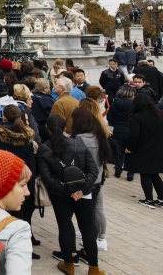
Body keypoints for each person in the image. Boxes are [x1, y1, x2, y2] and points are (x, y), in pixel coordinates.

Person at [36, 115, 101, 275]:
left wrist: (66, 191)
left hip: (60, 195)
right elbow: (93, 170)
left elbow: (47, 177)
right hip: (83, 194)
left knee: (65, 226)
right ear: (65, 128)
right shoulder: (78, 143)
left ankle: (69, 264)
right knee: (87, 230)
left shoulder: (45, 149)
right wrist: (82, 190)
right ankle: (94, 267)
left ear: (47, 129)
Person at [0, 104, 39, 257]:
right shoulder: (26, 140)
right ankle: (18, 250)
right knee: (18, 219)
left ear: (3, 117)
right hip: (18, 185)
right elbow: (31, 167)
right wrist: (29, 189)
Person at [70, 108, 112, 255]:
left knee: (87, 217)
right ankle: (98, 240)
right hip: (97, 181)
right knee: (95, 210)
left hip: (85, 183)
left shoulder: (79, 139)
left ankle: (89, 248)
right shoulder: (99, 136)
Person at [125, 92, 163, 208]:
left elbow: (133, 136)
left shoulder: (136, 117)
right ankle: (161, 198)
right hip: (157, 149)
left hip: (143, 149)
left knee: (145, 174)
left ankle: (148, 199)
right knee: (154, 174)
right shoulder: (159, 115)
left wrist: (129, 148)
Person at [106, 85, 134, 179]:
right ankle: (130, 174)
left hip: (118, 130)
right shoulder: (134, 104)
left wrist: (116, 124)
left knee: (119, 151)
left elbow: (109, 117)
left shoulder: (115, 103)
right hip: (131, 130)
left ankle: (118, 170)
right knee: (131, 152)